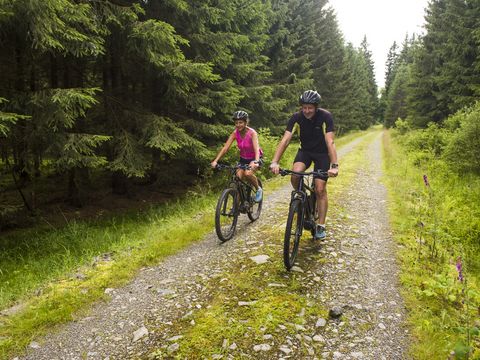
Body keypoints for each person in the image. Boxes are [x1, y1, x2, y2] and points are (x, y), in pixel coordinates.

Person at [270, 90, 338, 240]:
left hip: (322, 154)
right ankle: (302, 198)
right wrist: (275, 161)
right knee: (295, 175)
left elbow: (330, 141)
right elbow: (285, 140)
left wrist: (334, 165)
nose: (307, 111)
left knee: (320, 189)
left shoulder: (325, 116)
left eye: (310, 108)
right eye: (304, 107)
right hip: (305, 152)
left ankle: (321, 225)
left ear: (316, 107)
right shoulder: (296, 118)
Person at [211, 110, 263, 202]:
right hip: (243, 159)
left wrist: (256, 161)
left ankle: (258, 189)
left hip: (254, 158)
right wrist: (216, 160)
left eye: (241, 122)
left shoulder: (252, 133)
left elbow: (256, 149)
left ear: (245, 122)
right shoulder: (235, 133)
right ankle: (236, 206)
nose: (238, 125)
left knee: (248, 173)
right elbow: (225, 148)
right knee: (237, 178)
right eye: (236, 123)